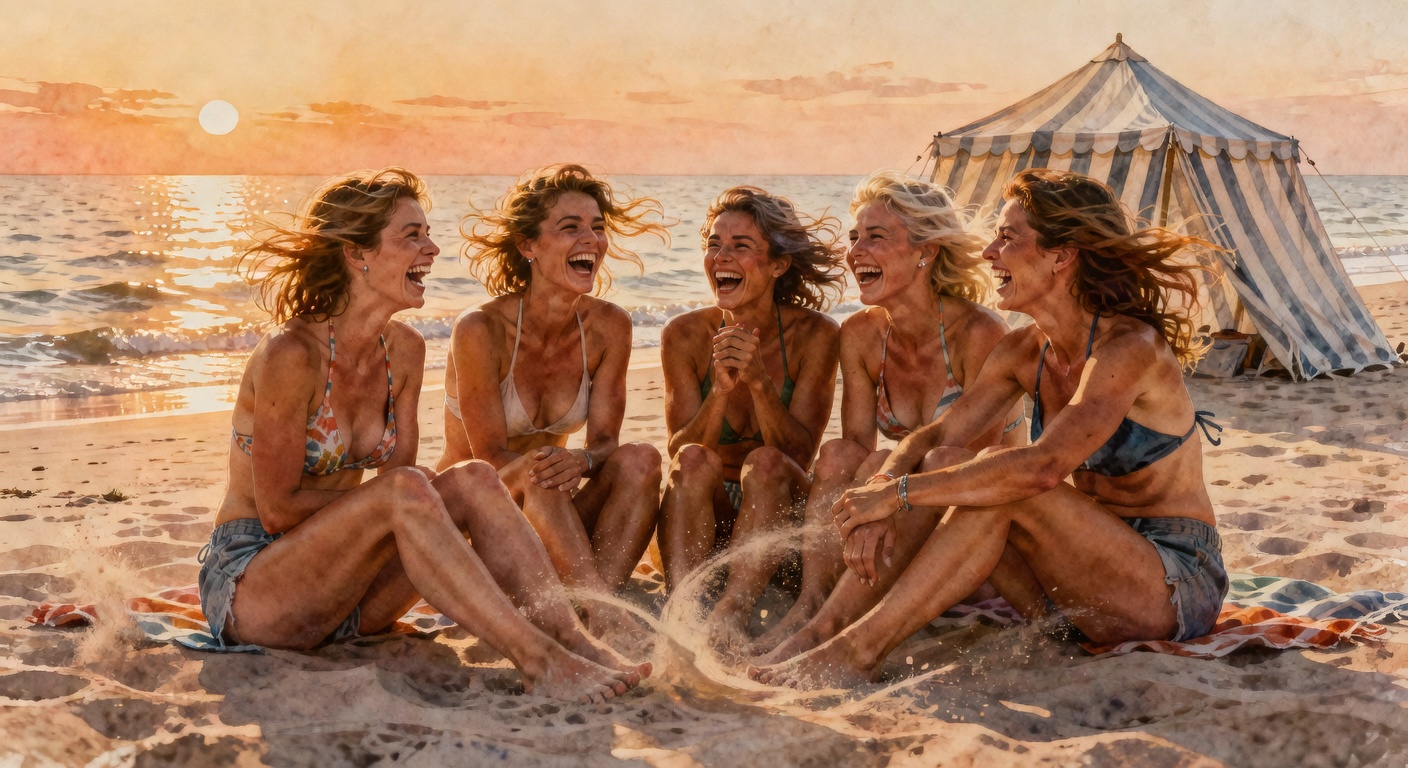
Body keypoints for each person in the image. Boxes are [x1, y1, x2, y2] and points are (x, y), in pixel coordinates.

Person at [751, 169, 1228, 687]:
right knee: (949, 464)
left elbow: (1044, 467)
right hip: (1071, 592)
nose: (989, 253)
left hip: (1172, 582)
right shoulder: (1024, 351)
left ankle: (858, 651)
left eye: (1008, 237)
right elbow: (935, 436)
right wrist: (882, 487)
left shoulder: (1129, 349)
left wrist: (901, 495)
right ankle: (824, 628)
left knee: (1005, 482)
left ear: (1061, 255)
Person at [201, 168, 647, 703]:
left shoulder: (405, 351)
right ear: (356, 253)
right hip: (259, 588)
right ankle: (540, 661)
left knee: (474, 478)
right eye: (411, 236)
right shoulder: (289, 356)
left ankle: (576, 640)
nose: (432, 248)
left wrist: (425, 504)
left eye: (426, 234)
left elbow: (402, 488)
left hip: (352, 598)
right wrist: (397, 502)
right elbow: (275, 510)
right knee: (413, 488)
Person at [742, 171, 1020, 657]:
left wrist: (884, 492)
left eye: (876, 237)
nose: (855, 252)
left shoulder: (979, 334)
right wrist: (875, 494)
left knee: (892, 466)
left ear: (926, 251)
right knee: (839, 454)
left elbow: (964, 463)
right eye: (854, 238)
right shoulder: (861, 334)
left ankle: (833, 623)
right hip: (903, 503)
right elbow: (855, 450)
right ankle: (812, 602)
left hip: (971, 533)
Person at [438, 165, 669, 626]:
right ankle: (602, 611)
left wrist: (583, 461)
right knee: (538, 469)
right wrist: (557, 466)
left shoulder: (609, 326)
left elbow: (605, 442)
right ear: (529, 246)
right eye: (571, 228)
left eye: (598, 228)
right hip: (476, 525)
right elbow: (488, 459)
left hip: (552, 515)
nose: (592, 240)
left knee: (642, 459)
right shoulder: (481, 329)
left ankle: (590, 608)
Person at [658, 186, 843, 621]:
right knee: (693, 460)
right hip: (706, 517)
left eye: (741, 246)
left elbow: (798, 454)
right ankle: (680, 610)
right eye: (713, 245)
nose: (721, 257)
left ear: (778, 265)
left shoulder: (816, 334)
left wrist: (759, 384)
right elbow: (679, 452)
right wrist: (720, 392)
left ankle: (732, 612)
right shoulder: (683, 334)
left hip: (778, 514)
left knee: (766, 463)